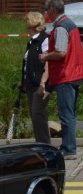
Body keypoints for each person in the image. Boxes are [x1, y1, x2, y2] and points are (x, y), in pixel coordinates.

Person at [40, 0, 83, 159]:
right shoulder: (70, 23)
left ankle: (69, 149)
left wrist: (46, 56)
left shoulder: (61, 27)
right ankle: (68, 145)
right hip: (75, 73)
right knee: (70, 114)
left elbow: (61, 53)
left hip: (65, 75)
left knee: (66, 115)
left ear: (52, 10)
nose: (45, 13)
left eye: (46, 10)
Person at [20, 11, 50, 144]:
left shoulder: (44, 40)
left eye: (26, 23)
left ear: (32, 25)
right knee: (35, 115)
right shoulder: (32, 41)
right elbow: (29, 63)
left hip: (40, 84)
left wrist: (43, 82)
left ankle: (44, 145)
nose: (25, 26)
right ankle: (41, 144)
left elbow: (48, 63)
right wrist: (23, 81)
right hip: (30, 83)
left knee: (38, 115)